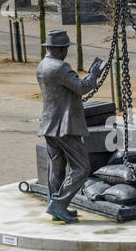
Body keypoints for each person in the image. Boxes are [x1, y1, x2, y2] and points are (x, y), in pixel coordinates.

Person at [37, 30, 104, 223]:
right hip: (63, 126)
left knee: (56, 168)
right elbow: (82, 88)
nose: (67, 51)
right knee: (82, 167)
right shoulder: (60, 67)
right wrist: (94, 73)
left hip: (48, 123)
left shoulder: (42, 65)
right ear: (59, 49)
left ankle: (55, 205)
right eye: (66, 48)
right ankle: (58, 204)